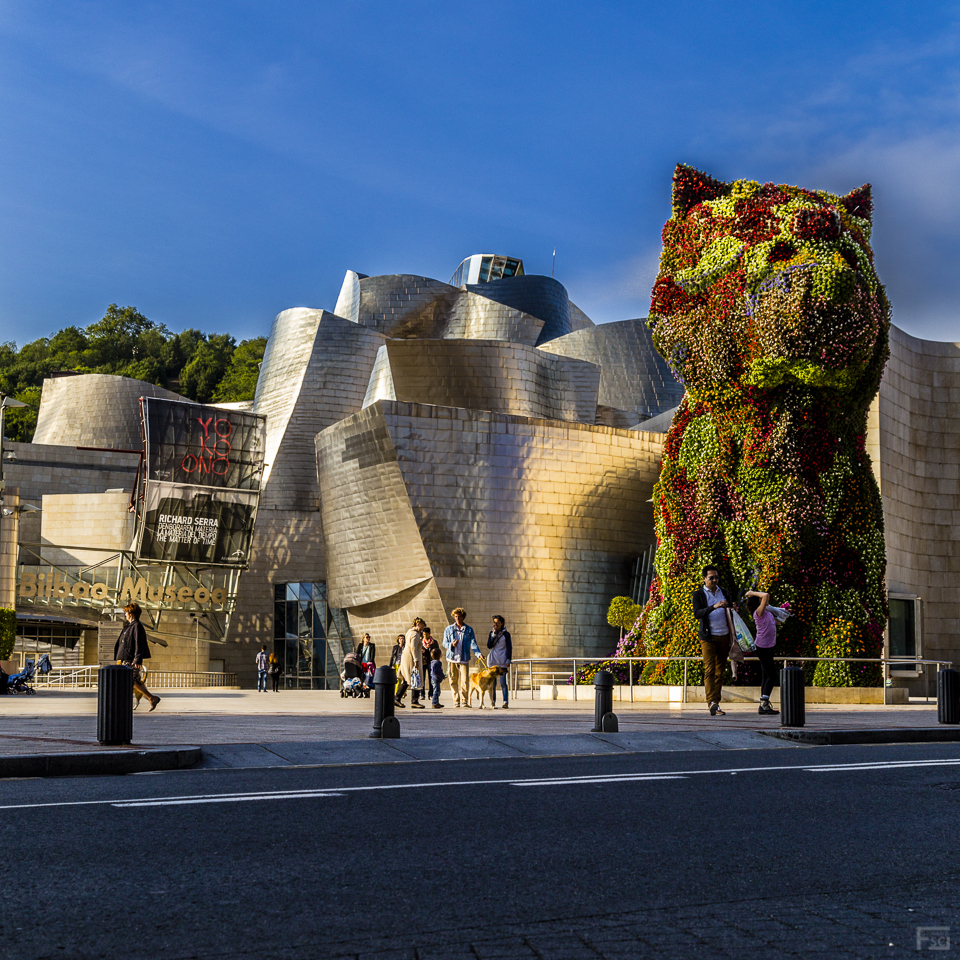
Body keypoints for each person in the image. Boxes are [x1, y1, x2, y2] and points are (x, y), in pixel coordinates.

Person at [692, 566, 737, 717]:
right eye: (711, 578)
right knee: (710, 670)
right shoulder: (699, 594)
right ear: (704, 578)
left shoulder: (724, 592)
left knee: (720, 672)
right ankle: (711, 702)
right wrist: (714, 606)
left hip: (724, 635)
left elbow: (730, 609)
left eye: (716, 577)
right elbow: (697, 613)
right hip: (708, 637)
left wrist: (733, 608)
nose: (714, 580)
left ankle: (716, 703)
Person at [114, 602, 160, 711]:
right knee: (134, 681)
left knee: (129, 681)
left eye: (126, 612)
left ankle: (149, 698)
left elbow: (139, 643)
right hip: (126, 658)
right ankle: (151, 698)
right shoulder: (129, 626)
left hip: (131, 659)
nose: (125, 614)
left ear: (131, 614)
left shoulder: (137, 626)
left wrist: (137, 659)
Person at [746, 590, 780, 715]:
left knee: (766, 676)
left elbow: (778, 622)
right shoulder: (758, 613)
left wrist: (783, 612)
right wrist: (753, 593)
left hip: (769, 646)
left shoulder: (767, 613)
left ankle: (763, 705)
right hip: (762, 647)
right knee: (772, 676)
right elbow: (765, 595)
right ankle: (764, 703)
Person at [442, 608, 481, 708]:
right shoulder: (449, 629)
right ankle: (456, 701)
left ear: (463, 617)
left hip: (463, 658)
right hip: (452, 658)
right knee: (453, 680)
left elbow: (473, 643)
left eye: (459, 616)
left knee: (464, 680)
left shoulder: (468, 630)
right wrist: (451, 644)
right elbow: (444, 643)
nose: (457, 618)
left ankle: (464, 701)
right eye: (456, 617)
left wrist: (478, 654)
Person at [398, 618, 426, 709]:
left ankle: (397, 698)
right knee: (415, 678)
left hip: (407, 657)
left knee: (408, 679)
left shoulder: (410, 632)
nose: (422, 628)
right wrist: (416, 660)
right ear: (418, 624)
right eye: (422, 625)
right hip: (411, 658)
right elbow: (413, 648)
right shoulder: (415, 634)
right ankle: (414, 701)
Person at [486, 615, 512, 709]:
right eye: (494, 622)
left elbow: (509, 648)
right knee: (492, 683)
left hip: (502, 661)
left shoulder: (506, 634)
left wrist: (508, 659)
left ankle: (505, 702)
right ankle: (492, 701)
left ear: (501, 623)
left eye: (497, 623)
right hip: (492, 660)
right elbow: (489, 645)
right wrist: (493, 635)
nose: (495, 625)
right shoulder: (491, 633)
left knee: (503, 683)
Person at [421, 626, 441, 702]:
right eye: (424, 635)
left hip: (431, 662)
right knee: (422, 678)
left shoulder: (434, 642)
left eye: (426, 634)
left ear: (429, 634)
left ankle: (431, 694)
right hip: (423, 662)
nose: (425, 636)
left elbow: (437, 651)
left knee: (431, 678)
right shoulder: (421, 642)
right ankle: (422, 694)